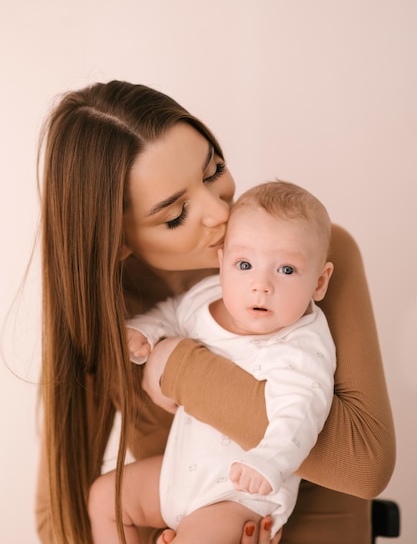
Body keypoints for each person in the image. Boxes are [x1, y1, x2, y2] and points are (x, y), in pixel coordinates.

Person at [35, 80, 395, 544]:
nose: (220, 212)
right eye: (175, 214)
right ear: (117, 239)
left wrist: (175, 364)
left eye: (213, 171)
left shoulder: (307, 257)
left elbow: (365, 464)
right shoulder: (108, 309)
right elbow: (57, 514)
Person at [88, 180, 337, 543]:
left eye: (285, 270)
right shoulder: (207, 297)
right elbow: (173, 314)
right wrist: (146, 331)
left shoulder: (300, 343)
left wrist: (269, 462)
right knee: (104, 499)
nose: (261, 285)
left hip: (237, 494)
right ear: (222, 264)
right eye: (245, 264)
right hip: (177, 475)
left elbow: (302, 412)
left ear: (319, 282)